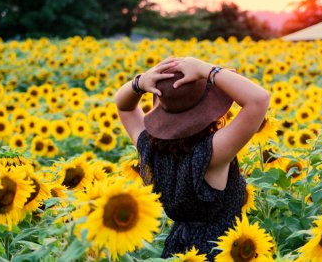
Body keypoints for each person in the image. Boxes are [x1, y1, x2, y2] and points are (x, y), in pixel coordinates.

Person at [114, 56, 270, 261]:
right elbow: (258, 100)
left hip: (178, 251)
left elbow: (124, 106)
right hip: (223, 251)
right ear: (208, 107)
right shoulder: (211, 152)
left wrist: (139, 83)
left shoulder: (149, 146)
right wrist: (207, 70)